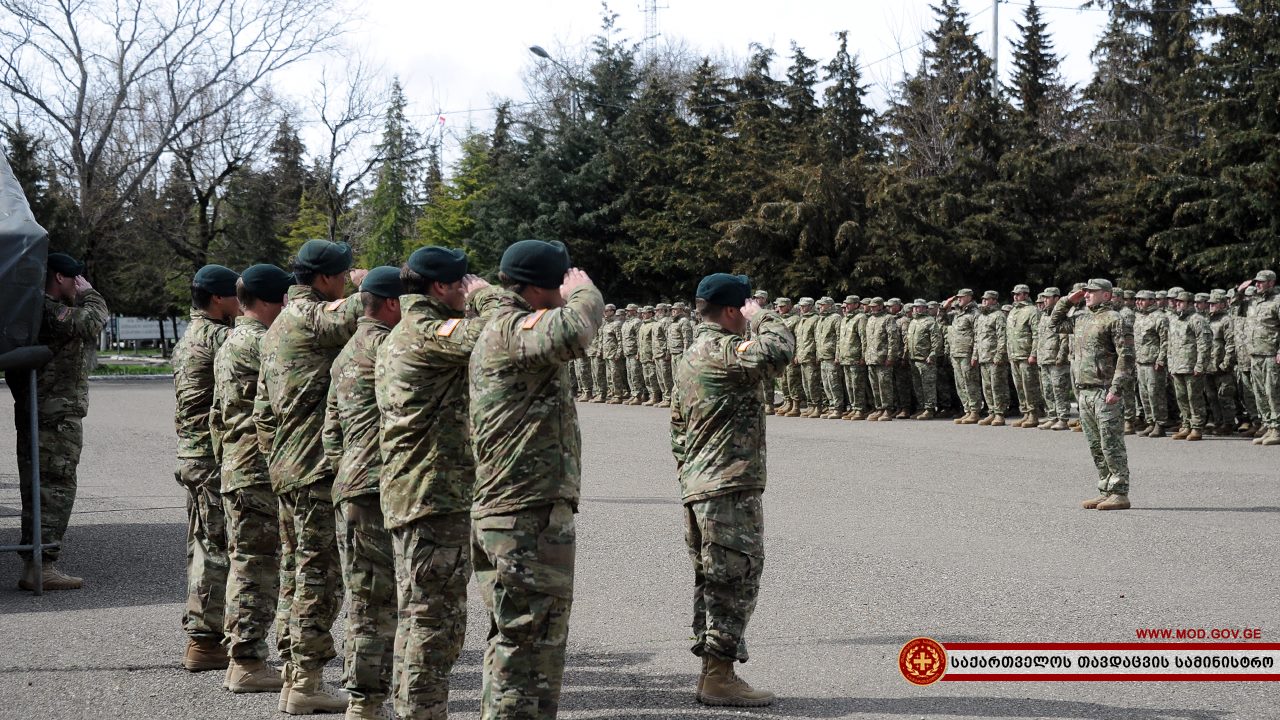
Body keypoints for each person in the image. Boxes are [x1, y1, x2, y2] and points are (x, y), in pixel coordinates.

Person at [468, 239, 603, 718]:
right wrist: (585, 291)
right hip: (522, 514)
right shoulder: (510, 328)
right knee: (527, 645)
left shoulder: (502, 324)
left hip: (518, 510)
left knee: (529, 644)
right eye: (561, 284)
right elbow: (573, 330)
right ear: (543, 289)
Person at [376, 247, 495, 720]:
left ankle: (414, 710)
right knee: (434, 621)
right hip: (432, 495)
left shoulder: (402, 332)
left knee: (419, 614)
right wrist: (487, 297)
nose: (467, 287)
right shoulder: (426, 332)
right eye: (462, 281)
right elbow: (492, 334)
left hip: (421, 492)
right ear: (441, 287)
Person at [669, 272, 794, 707]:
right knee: (734, 578)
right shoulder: (723, 349)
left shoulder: (691, 353)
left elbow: (677, 429)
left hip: (703, 484)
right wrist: (764, 316)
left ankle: (713, 673)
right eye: (743, 307)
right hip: (725, 486)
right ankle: (719, 676)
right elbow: (779, 352)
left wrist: (692, 476)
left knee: (714, 578)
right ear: (730, 311)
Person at [258, 239, 368, 713]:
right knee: (319, 579)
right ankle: (307, 682)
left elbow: (263, 412)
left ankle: (292, 671)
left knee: (296, 573)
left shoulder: (280, 323)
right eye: (342, 273)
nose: (346, 279)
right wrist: (370, 282)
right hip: (313, 469)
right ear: (323, 280)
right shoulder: (310, 317)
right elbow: (366, 307)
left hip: (290, 464)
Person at [323, 266, 404, 718]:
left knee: (364, 598)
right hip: (378, 491)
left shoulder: (346, 353)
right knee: (378, 603)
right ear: (392, 304)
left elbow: (331, 435)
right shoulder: (388, 350)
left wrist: (351, 468)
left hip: (351, 485)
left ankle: (364, 698)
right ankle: (366, 704)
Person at [212, 264, 294, 693]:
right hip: (255, 472)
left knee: (248, 564)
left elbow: (216, 415)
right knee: (256, 569)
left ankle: (243, 658)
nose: (287, 308)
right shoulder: (260, 342)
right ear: (265, 301)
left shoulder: (231, 340)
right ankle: (247, 662)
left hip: (237, 467)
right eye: (283, 299)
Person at [10, 252, 108, 592]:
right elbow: (92, 322)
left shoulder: (32, 308)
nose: (79, 283)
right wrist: (90, 295)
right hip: (52, 416)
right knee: (55, 488)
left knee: (42, 487)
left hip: (43, 412)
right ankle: (42, 565)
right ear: (60, 279)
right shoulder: (50, 310)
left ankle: (37, 561)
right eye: (75, 278)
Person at [172, 263, 240, 671]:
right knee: (216, 549)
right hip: (211, 458)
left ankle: (205, 634)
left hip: (193, 454)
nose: (241, 300)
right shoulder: (220, 338)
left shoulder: (190, 335)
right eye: (236, 293)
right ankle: (204, 641)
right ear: (218, 299)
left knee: (203, 544)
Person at [1046, 280, 1135, 510]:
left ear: (1106, 295)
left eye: (1092, 292)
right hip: (1084, 390)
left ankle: (1120, 491)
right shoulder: (1081, 318)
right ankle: (1105, 488)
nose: (1086, 295)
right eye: (1085, 292)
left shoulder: (1115, 319)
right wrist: (1068, 300)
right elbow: (1053, 324)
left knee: (1110, 443)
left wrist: (1116, 388)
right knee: (1095, 444)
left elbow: (1126, 356)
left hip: (1105, 390)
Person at [1166, 291, 1211, 441]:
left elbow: (1204, 344)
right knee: (1181, 397)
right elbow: (1170, 344)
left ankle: (1197, 427)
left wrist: (1200, 365)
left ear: (1190, 304)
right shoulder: (1175, 320)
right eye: (1176, 301)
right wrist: (1171, 364)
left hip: (1192, 366)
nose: (1177, 303)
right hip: (1178, 366)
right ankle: (1186, 424)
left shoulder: (1197, 319)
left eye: (1181, 301)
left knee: (1194, 397)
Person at [941, 290, 982, 424]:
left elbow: (978, 336)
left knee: (970, 382)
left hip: (967, 353)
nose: (958, 300)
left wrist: (975, 355)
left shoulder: (975, 313)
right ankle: (967, 410)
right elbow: (942, 321)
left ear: (969, 297)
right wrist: (944, 306)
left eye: (961, 297)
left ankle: (975, 411)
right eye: (957, 297)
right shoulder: (957, 314)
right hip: (956, 353)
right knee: (960, 384)